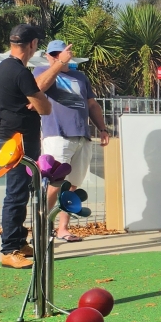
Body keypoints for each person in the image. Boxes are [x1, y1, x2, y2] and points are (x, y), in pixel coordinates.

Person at [0, 24, 69, 268]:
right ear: (33, 44)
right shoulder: (20, 72)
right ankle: (9, 250)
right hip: (19, 141)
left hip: (12, 139)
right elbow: (45, 108)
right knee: (16, 194)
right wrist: (38, 100)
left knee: (21, 192)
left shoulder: (4, 67)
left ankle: (17, 240)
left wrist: (34, 100)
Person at [39, 41, 111, 243]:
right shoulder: (41, 71)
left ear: (69, 54)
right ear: (47, 55)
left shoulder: (80, 77)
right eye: (53, 54)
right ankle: (42, 228)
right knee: (54, 183)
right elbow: (39, 87)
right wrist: (57, 64)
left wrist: (103, 129)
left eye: (60, 53)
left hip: (81, 136)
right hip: (57, 135)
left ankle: (63, 228)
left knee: (71, 186)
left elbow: (92, 104)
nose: (56, 57)